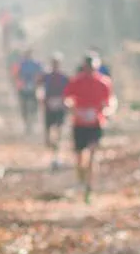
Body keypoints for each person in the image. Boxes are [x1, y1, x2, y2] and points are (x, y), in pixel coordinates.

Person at [62, 54, 116, 203]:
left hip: (96, 124)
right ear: (84, 67)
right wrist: (72, 107)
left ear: (97, 67)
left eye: (93, 68)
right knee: (80, 158)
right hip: (79, 124)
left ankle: (89, 187)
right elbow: (67, 97)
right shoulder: (76, 81)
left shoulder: (104, 82)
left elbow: (109, 101)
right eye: (88, 68)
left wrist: (107, 111)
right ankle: (81, 178)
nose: (90, 71)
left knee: (93, 155)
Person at [43, 53, 71, 168]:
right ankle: (49, 141)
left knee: (59, 127)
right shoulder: (46, 76)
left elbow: (69, 91)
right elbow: (40, 88)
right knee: (49, 126)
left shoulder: (64, 77)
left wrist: (67, 103)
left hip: (60, 105)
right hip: (49, 104)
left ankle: (57, 145)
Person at [13, 49, 44, 135]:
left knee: (33, 106)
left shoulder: (35, 64)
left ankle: (32, 122)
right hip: (24, 88)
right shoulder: (21, 64)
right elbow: (16, 75)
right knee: (24, 107)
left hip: (32, 88)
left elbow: (41, 74)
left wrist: (37, 83)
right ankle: (27, 124)